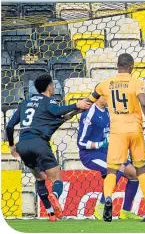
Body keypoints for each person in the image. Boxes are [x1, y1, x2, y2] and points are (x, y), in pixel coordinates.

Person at [6, 74, 91, 222]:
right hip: (39, 142)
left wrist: (12, 146)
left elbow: (9, 125)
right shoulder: (48, 101)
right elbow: (57, 112)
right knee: (56, 177)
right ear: (50, 86)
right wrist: (76, 105)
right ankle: (55, 196)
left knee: (40, 178)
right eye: (53, 85)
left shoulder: (25, 103)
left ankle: (51, 213)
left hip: (23, 145)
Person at [86, 53, 145, 222]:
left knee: (112, 170)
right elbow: (144, 102)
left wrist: (72, 111)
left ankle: (108, 198)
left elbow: (89, 101)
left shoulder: (105, 84)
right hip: (135, 129)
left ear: (117, 66)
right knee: (141, 170)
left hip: (117, 131)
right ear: (131, 66)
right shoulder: (135, 82)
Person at [77, 97, 141, 220]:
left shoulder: (107, 111)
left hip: (107, 152)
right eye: (106, 95)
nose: (109, 98)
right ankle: (101, 207)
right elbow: (81, 142)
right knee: (117, 166)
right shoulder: (89, 114)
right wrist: (99, 144)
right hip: (90, 155)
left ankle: (126, 212)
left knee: (134, 175)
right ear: (99, 96)